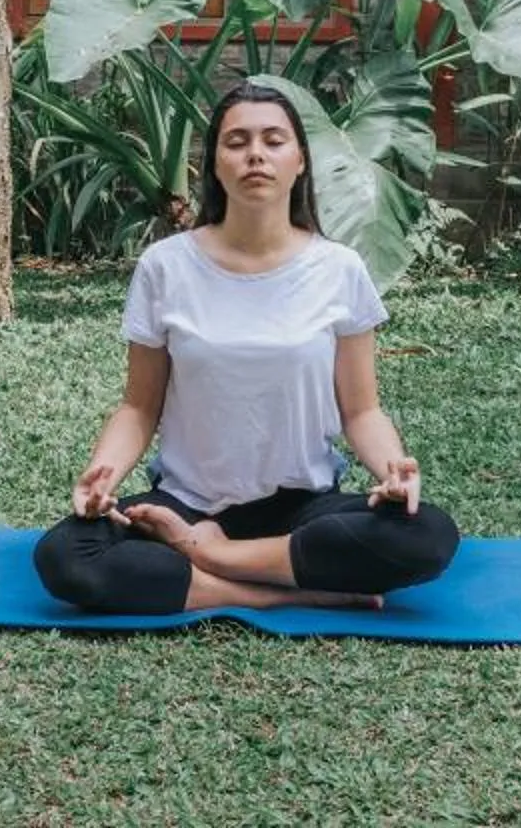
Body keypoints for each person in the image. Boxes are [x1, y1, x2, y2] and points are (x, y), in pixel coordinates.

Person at [33, 80, 462, 616]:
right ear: (214, 164)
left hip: (301, 505)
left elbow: (362, 410)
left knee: (428, 535)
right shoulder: (165, 266)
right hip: (185, 504)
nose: (255, 153)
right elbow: (139, 406)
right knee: (66, 557)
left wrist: (394, 471)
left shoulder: (338, 270)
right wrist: (102, 475)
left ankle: (209, 559)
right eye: (236, 141)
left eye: (273, 140)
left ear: (300, 160)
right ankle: (291, 590)